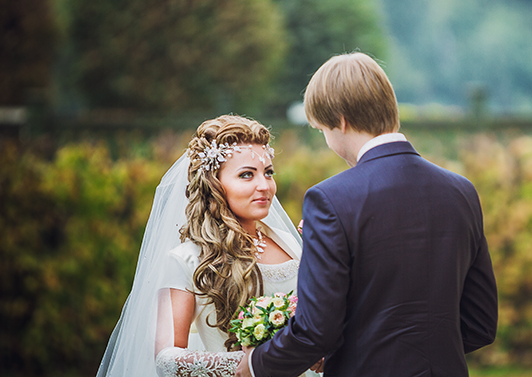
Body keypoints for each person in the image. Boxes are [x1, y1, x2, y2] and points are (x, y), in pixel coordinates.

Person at [237, 53, 498, 377]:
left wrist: (254, 364)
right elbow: (480, 324)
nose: (328, 140)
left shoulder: (331, 199)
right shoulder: (461, 192)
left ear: (342, 121)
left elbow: (317, 329)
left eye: (323, 130)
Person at [96, 115, 319, 377]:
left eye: (268, 173)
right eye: (247, 175)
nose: (264, 186)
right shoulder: (187, 259)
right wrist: (256, 363)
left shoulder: (289, 240)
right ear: (214, 185)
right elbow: (167, 358)